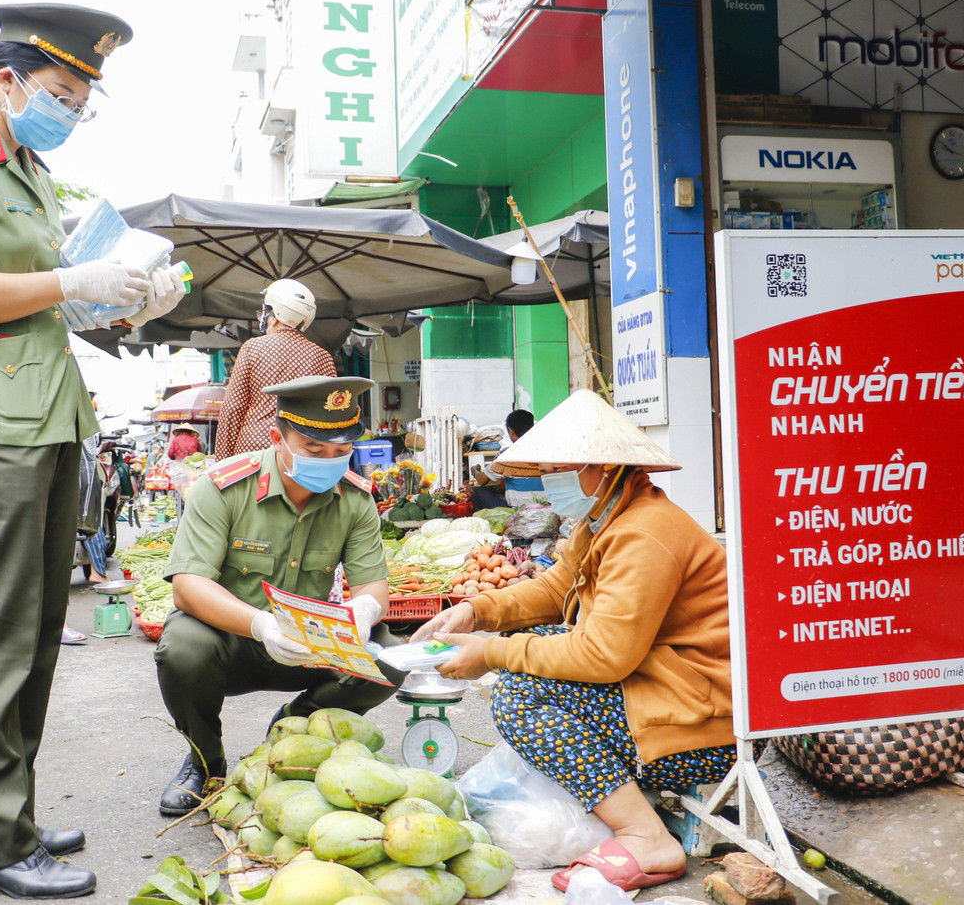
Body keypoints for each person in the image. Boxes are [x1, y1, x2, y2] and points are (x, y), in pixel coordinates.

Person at [0, 4, 184, 898]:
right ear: (10, 81)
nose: (70, 108)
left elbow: (43, 301)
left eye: (81, 99)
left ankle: (6, 814)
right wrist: (70, 278)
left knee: (33, 640)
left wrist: (128, 301)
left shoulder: (29, 168)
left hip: (48, 418)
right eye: (61, 92)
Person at [413, 389, 737, 895]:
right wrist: (478, 611)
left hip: (708, 724)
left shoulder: (645, 535)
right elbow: (553, 587)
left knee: (519, 694)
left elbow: (604, 656)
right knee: (537, 646)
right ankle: (628, 809)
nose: (549, 480)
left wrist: (491, 653)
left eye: (559, 468)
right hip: (663, 685)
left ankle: (645, 836)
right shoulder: (606, 520)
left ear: (602, 468)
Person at [154, 376, 405, 816]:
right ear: (277, 438)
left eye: (341, 450)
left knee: (390, 656)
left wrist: (364, 609)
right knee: (183, 646)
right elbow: (188, 586)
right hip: (229, 642)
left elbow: (373, 587)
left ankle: (291, 730)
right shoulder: (224, 487)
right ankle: (205, 762)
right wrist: (261, 624)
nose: (330, 461)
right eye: (314, 449)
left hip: (309, 643)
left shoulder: (355, 499)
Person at [213, 279, 336, 459]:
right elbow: (330, 413)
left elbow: (233, 409)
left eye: (265, 311)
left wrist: (221, 464)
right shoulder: (323, 357)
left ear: (275, 313)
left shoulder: (252, 348)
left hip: (254, 451)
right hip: (303, 451)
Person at [470, 409, 543, 510]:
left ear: (511, 431)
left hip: (517, 512)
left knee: (479, 493)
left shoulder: (507, 455)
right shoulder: (544, 452)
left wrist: (475, 470)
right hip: (545, 508)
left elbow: (482, 480)